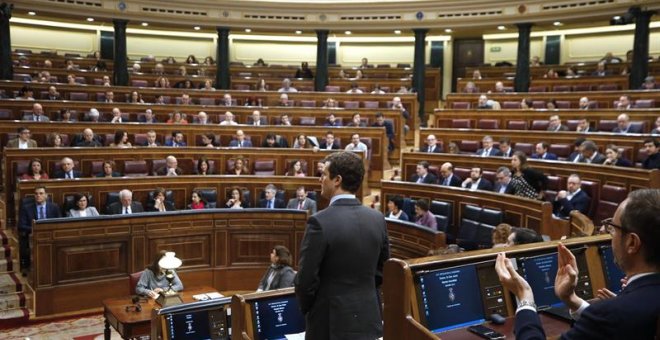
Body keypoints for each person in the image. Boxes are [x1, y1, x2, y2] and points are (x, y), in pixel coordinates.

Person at [496, 189, 660, 339]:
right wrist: (572, 299)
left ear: (631, 243)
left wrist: (524, 298)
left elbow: (615, 319)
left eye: (612, 228)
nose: (608, 234)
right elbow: (622, 325)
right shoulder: (623, 312)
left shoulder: (613, 313)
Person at [295, 151, 389, 339]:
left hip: (330, 323)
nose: (320, 180)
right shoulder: (377, 218)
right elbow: (381, 271)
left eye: (323, 175)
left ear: (337, 180)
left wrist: (312, 310)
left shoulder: (319, 222)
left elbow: (305, 281)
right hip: (368, 318)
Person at [18, 186, 61, 273]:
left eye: (41, 193)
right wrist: (36, 229)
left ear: (46, 195)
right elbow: (21, 225)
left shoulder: (54, 207)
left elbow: (59, 222)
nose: (38, 196)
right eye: (36, 194)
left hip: (51, 235)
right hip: (33, 235)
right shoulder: (26, 208)